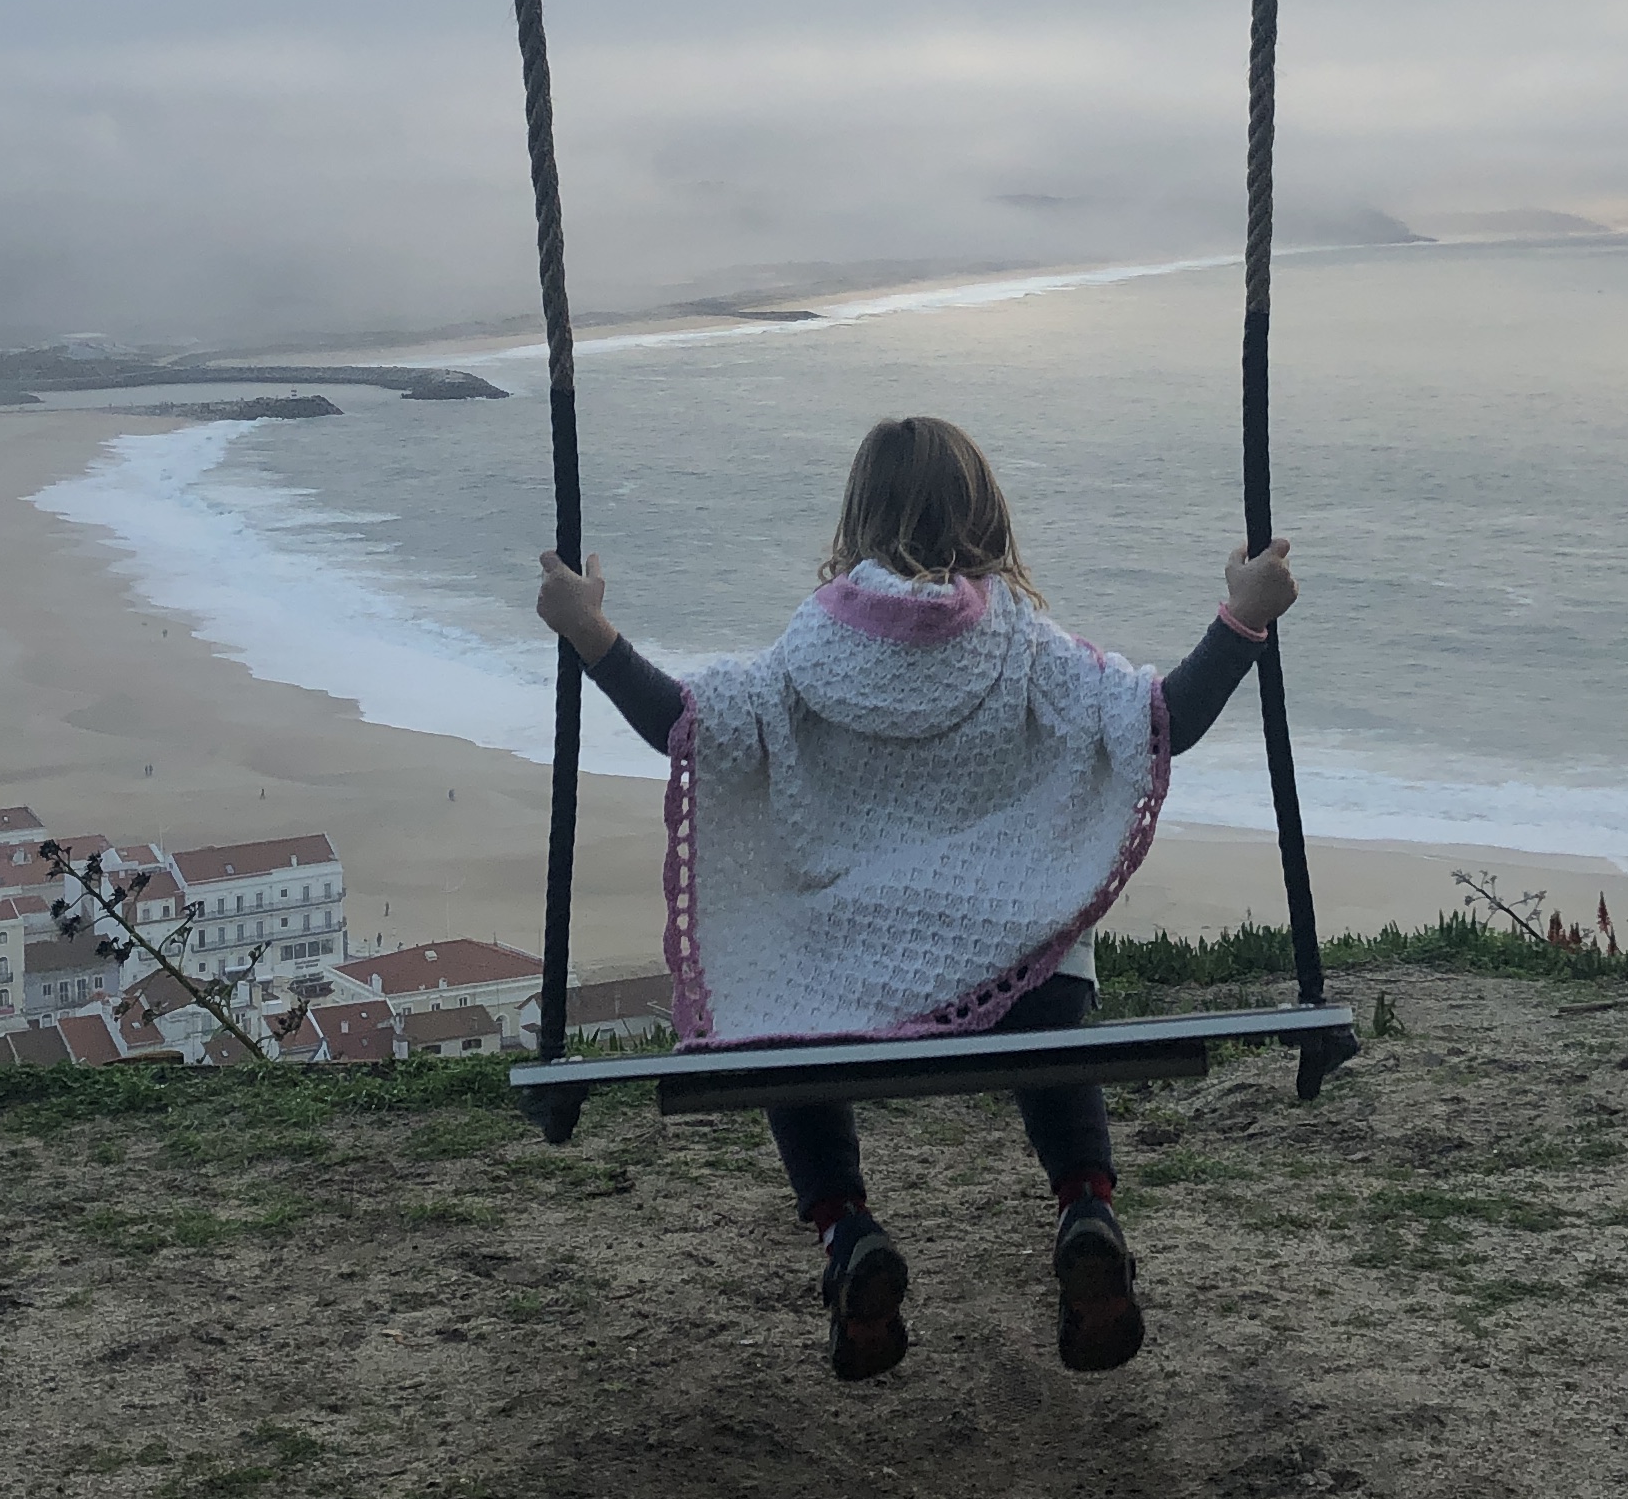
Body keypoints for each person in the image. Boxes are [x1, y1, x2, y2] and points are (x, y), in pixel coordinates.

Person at [536, 411, 1296, 1385]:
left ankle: (847, 1230)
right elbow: (1161, 721)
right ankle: (1084, 1202)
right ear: (986, 515)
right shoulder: (1022, 642)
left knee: (778, 1008)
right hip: (1018, 987)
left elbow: (684, 724)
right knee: (1051, 946)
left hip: (849, 991)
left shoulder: (810, 650)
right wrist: (1244, 618)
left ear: (857, 517)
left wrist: (588, 628)